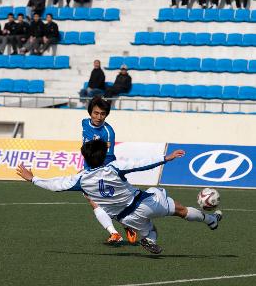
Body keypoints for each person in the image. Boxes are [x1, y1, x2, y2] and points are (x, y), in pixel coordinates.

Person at [16, 139, 223, 254]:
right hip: (143, 203)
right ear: (102, 156)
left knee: (150, 229)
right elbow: (141, 163)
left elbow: (55, 185)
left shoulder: (80, 180)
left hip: (125, 218)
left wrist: (33, 179)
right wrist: (166, 158)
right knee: (177, 207)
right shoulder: (113, 168)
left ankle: (148, 239)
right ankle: (211, 220)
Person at [81, 96, 137, 244]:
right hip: (88, 169)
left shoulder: (108, 132)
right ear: (90, 113)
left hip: (103, 170)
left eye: (102, 114)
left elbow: (108, 156)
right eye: (96, 113)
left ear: (106, 115)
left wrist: (98, 173)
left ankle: (126, 225)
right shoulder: (84, 123)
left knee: (107, 202)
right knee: (92, 199)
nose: (99, 117)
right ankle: (115, 233)